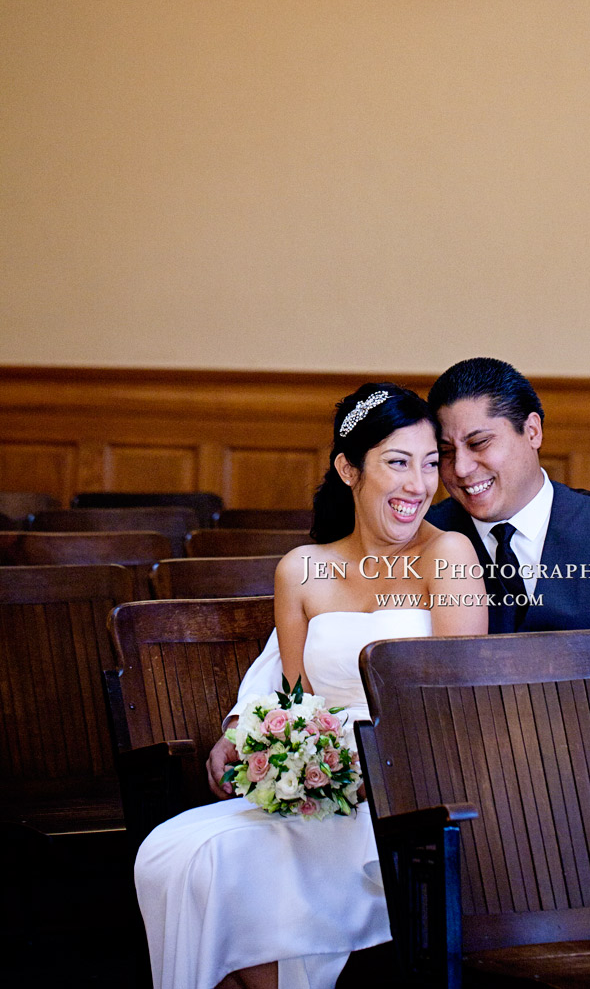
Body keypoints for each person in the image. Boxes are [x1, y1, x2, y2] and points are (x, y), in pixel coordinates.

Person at [135, 383, 487, 989]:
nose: (419, 485)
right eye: (397, 463)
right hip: (325, 787)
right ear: (349, 469)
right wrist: (287, 757)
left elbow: (453, 703)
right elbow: (294, 703)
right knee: (173, 852)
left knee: (225, 863)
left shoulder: (450, 553)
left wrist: (362, 769)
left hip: (410, 787)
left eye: (430, 464)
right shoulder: (302, 570)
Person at [208, 358, 590, 798]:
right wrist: (242, 722)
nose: (461, 470)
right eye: (445, 453)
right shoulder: (416, 531)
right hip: (455, 777)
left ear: (532, 430)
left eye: (479, 444)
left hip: (588, 772)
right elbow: (303, 645)